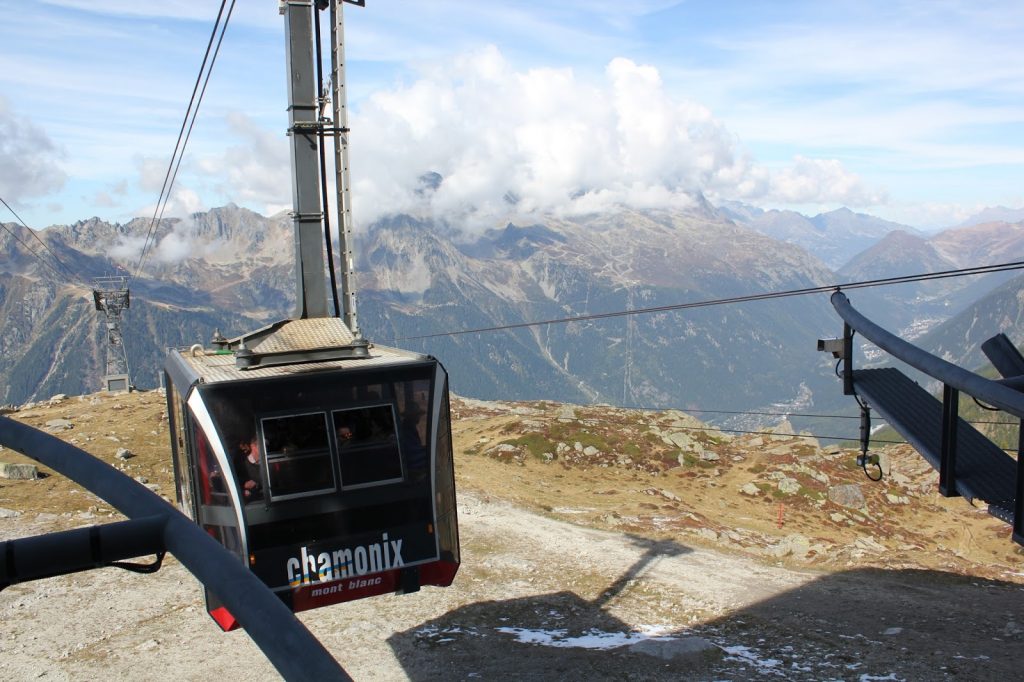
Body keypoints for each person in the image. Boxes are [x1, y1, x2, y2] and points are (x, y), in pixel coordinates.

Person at [239, 436, 263, 502]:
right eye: (261, 445)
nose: (264, 448)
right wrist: (244, 490)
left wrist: (256, 483)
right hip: (253, 502)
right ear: (253, 446)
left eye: (265, 446)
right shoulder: (243, 464)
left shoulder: (266, 462)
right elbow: (240, 484)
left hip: (265, 499)